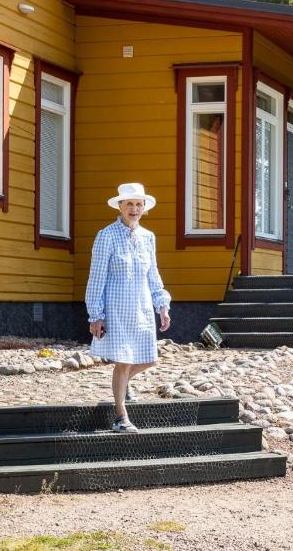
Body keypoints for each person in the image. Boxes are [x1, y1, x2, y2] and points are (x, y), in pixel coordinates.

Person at [85, 182, 171, 433]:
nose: (134, 209)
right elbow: (97, 276)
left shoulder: (148, 237)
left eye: (138, 204)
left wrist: (162, 305)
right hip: (116, 310)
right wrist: (95, 315)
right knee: (123, 363)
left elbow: (153, 275)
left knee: (149, 360)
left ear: (144, 208)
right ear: (120, 206)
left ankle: (122, 386)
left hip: (142, 309)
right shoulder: (106, 235)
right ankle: (120, 416)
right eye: (129, 204)